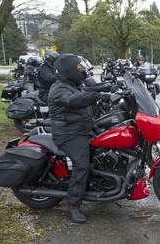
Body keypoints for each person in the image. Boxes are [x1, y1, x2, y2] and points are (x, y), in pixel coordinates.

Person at [48, 54, 111, 223]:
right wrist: (97, 96)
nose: (81, 70)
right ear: (67, 70)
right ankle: (73, 205)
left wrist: (107, 87)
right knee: (81, 165)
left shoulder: (72, 84)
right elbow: (74, 100)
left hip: (83, 129)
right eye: (78, 68)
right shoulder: (59, 89)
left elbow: (85, 91)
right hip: (69, 135)